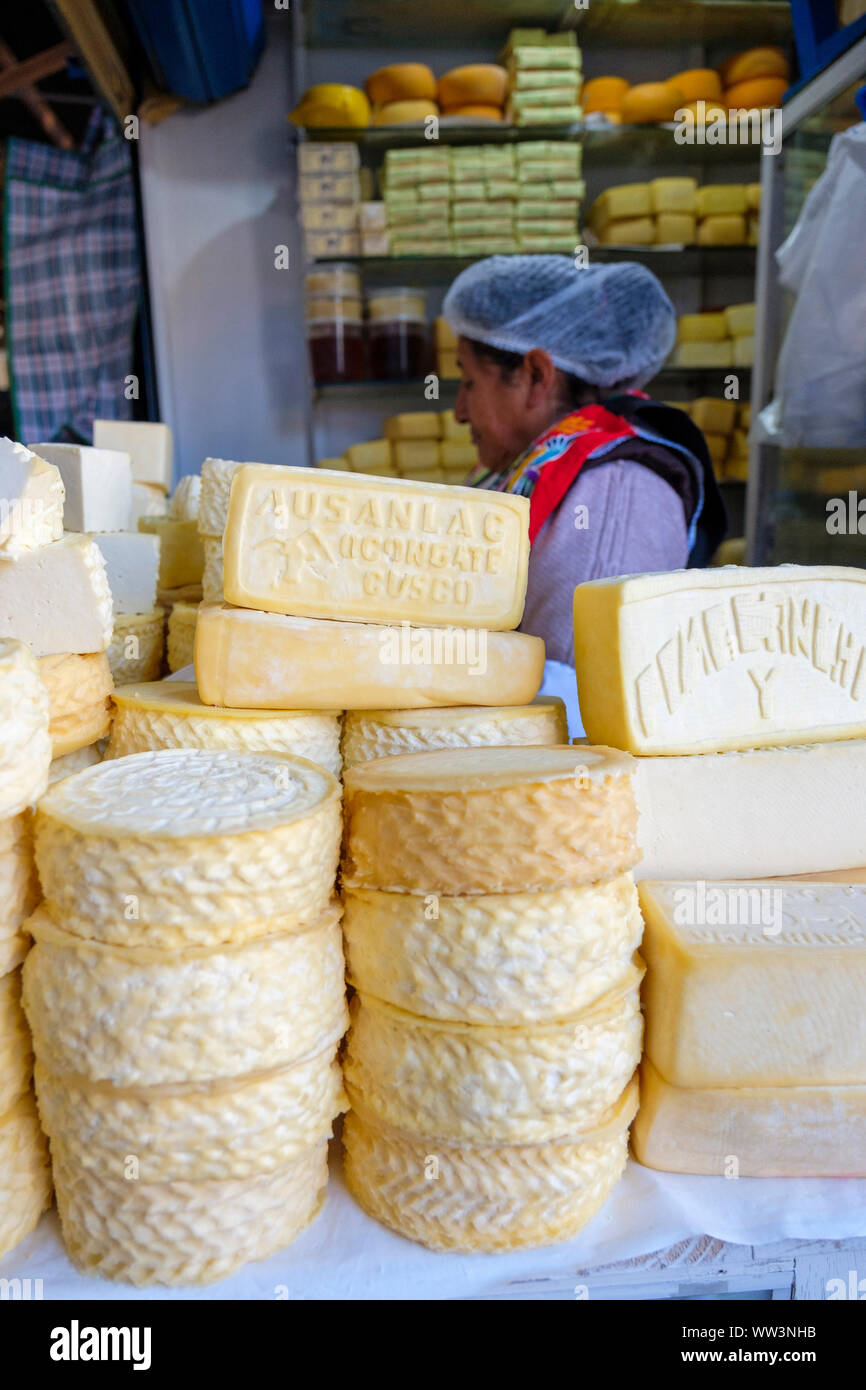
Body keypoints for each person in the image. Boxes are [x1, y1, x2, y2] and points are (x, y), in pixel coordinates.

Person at [443, 257, 726, 667]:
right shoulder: (527, 461)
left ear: (536, 375)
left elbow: (579, 695)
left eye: (469, 381)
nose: (459, 412)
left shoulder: (616, 491)